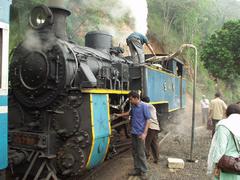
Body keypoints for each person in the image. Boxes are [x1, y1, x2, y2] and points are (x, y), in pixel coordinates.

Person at [116, 91, 151, 179]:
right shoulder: (133, 106)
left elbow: (148, 120)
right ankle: (137, 169)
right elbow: (129, 113)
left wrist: (144, 134)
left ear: (136, 98)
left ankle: (144, 171)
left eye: (131, 99)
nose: (130, 101)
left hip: (140, 134)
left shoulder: (144, 106)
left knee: (141, 153)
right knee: (134, 152)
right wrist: (119, 115)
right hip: (134, 133)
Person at [207, 104, 240, 179]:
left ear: (227, 113)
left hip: (226, 167)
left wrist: (216, 166)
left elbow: (220, 148)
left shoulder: (224, 126)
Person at [141, 96, 160, 164]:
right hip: (155, 127)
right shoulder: (152, 106)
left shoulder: (147, 106)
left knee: (146, 143)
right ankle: (156, 158)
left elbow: (141, 103)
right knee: (154, 143)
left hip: (150, 127)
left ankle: (146, 157)